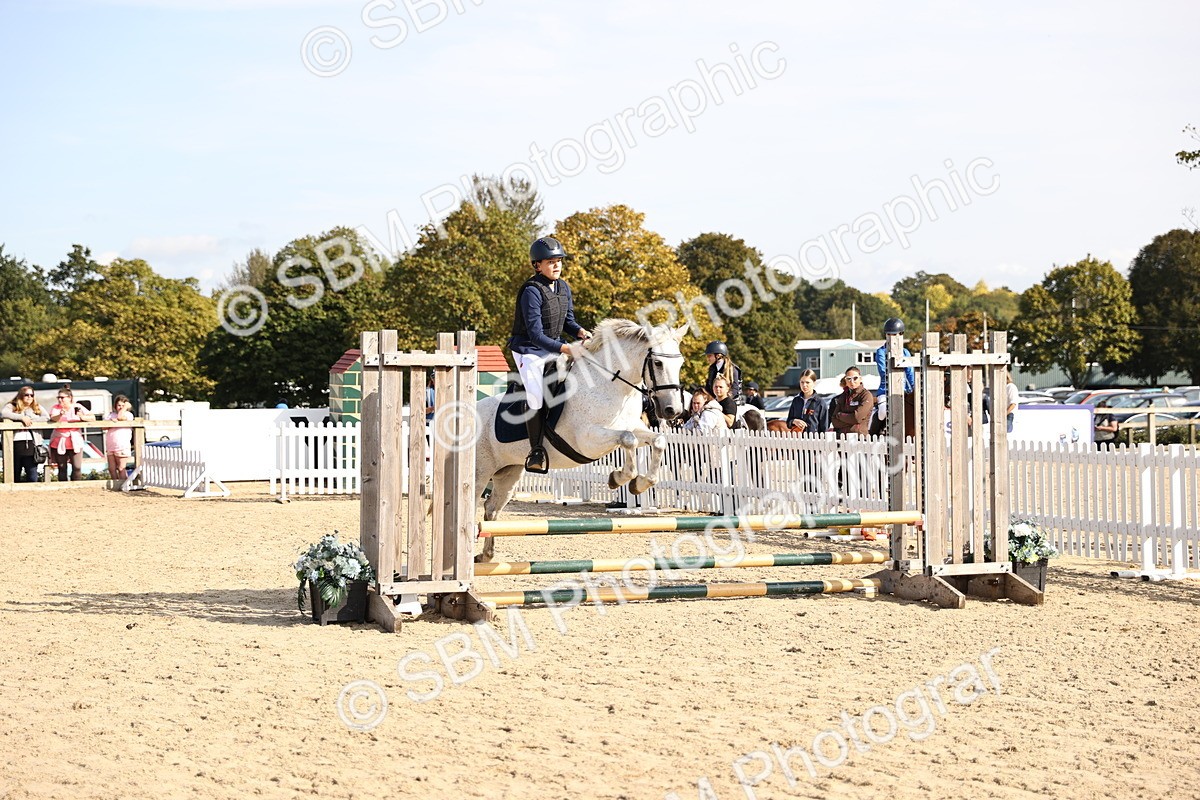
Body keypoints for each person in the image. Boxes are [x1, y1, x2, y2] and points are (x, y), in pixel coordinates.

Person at [507, 235, 591, 473]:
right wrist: (566, 348)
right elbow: (534, 335)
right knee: (535, 395)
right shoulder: (531, 291)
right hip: (528, 351)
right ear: (537, 265)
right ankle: (535, 451)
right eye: (550, 261)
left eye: (559, 261)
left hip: (553, 346)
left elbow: (569, 321)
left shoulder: (563, 287)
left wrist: (580, 332)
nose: (556, 265)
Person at [872, 317, 916, 438]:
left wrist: (913, 388)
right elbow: (883, 371)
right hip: (886, 390)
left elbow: (910, 372)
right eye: (889, 335)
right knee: (882, 413)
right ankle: (876, 433)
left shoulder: (905, 352)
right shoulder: (881, 352)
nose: (892, 338)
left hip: (904, 390)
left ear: (901, 335)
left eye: (895, 335)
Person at [2, 385, 48, 483]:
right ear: (21, 395)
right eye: (26, 395)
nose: (29, 397)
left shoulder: (36, 407)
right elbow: (4, 413)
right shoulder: (12, 406)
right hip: (13, 443)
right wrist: (21, 417)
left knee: (32, 473)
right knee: (15, 472)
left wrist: (31, 419)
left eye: (32, 395)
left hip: (31, 443)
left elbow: (46, 417)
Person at [49, 387, 95, 481]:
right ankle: (63, 487)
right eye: (59, 398)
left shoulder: (77, 406)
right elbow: (53, 418)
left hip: (75, 440)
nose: (60, 400)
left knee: (77, 467)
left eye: (62, 397)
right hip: (60, 441)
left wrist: (82, 417)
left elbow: (92, 417)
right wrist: (60, 414)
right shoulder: (55, 408)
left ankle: (76, 485)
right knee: (62, 468)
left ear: (69, 397)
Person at [829, 367, 875, 437]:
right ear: (845, 380)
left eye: (855, 378)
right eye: (849, 379)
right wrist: (853, 421)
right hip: (842, 438)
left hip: (859, 438)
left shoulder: (866, 395)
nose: (852, 381)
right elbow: (835, 421)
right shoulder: (843, 396)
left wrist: (840, 415)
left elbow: (857, 418)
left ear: (860, 379)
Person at [785, 369, 830, 434]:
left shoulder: (820, 403)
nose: (804, 385)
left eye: (807, 382)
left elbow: (824, 427)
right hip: (797, 439)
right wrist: (794, 421)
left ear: (814, 383)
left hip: (814, 440)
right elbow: (788, 422)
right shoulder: (796, 401)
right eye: (802, 382)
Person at [104, 394, 135, 481]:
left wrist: (125, 408)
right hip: (111, 445)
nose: (121, 407)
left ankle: (124, 485)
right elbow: (103, 426)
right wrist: (111, 422)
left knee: (121, 468)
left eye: (123, 405)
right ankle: (115, 486)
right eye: (119, 405)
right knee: (112, 469)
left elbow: (121, 417)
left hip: (122, 445)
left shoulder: (128, 415)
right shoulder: (111, 415)